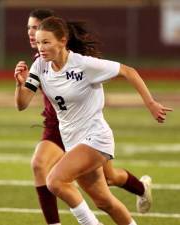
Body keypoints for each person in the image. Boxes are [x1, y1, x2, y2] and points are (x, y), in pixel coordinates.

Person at [14, 16, 173, 225]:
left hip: (95, 137)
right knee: (104, 202)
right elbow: (21, 104)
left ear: (62, 40)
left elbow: (128, 71)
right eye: (39, 42)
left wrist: (150, 103)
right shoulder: (40, 66)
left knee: (55, 180)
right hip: (73, 141)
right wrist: (20, 84)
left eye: (46, 42)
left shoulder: (83, 65)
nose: (40, 47)